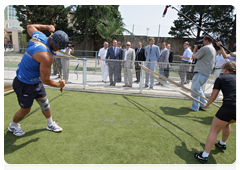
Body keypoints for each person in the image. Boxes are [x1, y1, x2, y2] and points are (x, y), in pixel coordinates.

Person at [8, 24, 68, 136]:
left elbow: (30, 26)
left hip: (35, 82)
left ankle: (50, 124)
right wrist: (59, 85)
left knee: (44, 103)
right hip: (23, 84)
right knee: (25, 110)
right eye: (58, 48)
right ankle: (13, 125)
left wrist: (47, 26)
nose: (59, 50)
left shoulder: (39, 36)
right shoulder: (46, 56)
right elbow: (45, 79)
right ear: (54, 44)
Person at [194, 61, 238, 164]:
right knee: (226, 122)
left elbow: (213, 96)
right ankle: (222, 143)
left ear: (225, 70)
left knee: (214, 130)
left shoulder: (221, 78)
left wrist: (206, 104)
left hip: (230, 107)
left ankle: (204, 156)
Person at [188, 36, 216, 112]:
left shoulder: (205, 48)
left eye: (203, 41)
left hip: (201, 72)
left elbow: (193, 57)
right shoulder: (213, 48)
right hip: (206, 73)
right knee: (198, 89)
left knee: (194, 89)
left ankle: (195, 107)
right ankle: (204, 105)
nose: (202, 43)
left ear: (207, 41)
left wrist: (194, 49)